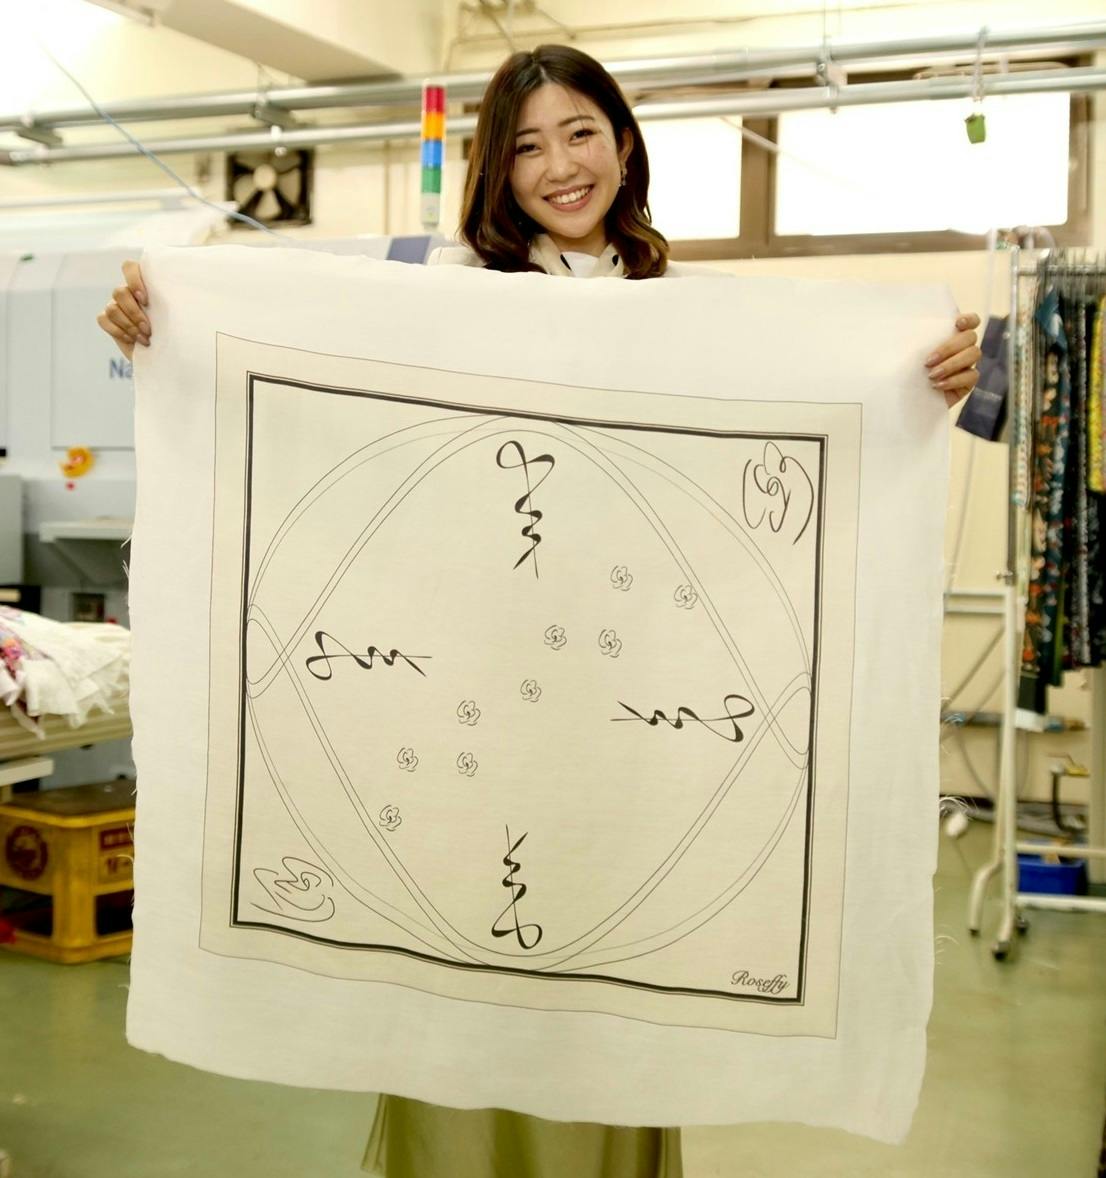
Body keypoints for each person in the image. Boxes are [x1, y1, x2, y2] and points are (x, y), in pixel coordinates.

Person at [98, 41, 980, 1178]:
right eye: (525, 147)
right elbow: (330, 407)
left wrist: (920, 375)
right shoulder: (447, 301)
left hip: (618, 733)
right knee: (462, 1010)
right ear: (496, 172)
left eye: (580, 133)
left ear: (623, 143)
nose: (560, 166)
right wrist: (163, 328)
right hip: (466, 726)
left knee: (609, 1011)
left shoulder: (683, 317)